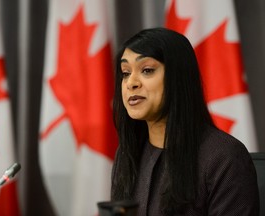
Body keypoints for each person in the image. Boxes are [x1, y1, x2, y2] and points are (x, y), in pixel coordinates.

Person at [110, 27, 259, 216]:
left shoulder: (223, 158)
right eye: (125, 73)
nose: (131, 82)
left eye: (147, 70)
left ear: (178, 77)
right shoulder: (129, 153)